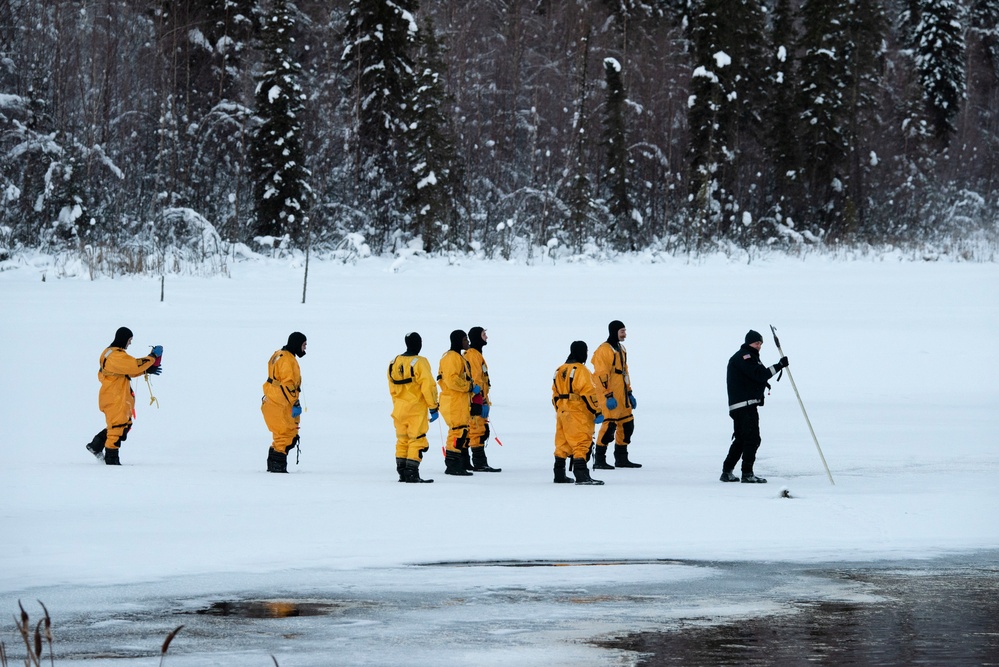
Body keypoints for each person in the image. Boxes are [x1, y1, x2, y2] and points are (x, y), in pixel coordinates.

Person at [85, 327, 162, 466]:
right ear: (124, 339)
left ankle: (96, 445)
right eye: (129, 340)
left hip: (113, 395)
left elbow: (126, 370)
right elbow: (133, 366)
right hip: (115, 398)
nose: (130, 343)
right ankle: (112, 460)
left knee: (124, 425)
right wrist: (153, 357)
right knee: (117, 427)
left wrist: (147, 369)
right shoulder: (116, 356)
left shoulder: (110, 353)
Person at [721, 330, 789, 483]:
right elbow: (759, 374)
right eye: (756, 343)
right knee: (752, 439)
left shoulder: (749, 357)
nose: (759, 346)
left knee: (741, 439)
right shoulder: (745, 357)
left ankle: (727, 471)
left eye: (760, 344)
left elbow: (757, 377)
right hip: (744, 406)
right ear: (749, 343)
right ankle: (747, 473)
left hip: (741, 405)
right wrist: (779, 366)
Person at [388, 332, 440, 483]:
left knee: (402, 440)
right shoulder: (420, 362)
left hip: (399, 409)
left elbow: (391, 388)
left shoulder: (393, 362)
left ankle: (402, 473)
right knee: (417, 439)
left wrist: (398, 403)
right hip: (415, 409)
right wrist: (433, 407)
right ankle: (412, 473)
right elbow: (428, 386)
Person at [552, 340, 605, 485]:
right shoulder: (581, 370)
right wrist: (597, 411)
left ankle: (559, 474)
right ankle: (581, 475)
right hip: (578, 412)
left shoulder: (559, 370)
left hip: (562, 411)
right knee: (581, 442)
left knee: (562, 443)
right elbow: (589, 393)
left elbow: (554, 395)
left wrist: (560, 409)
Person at [591, 319, 641, 469]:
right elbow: (601, 375)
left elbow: (625, 372)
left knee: (627, 425)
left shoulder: (621, 349)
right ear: (614, 332)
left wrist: (629, 392)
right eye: (622, 331)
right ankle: (600, 459)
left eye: (625, 331)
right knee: (609, 426)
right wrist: (608, 395)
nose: (625, 334)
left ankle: (621, 458)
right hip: (609, 394)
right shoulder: (604, 350)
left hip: (622, 394)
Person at [261, 332, 307, 473]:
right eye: (304, 345)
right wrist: (295, 402)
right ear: (297, 344)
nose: (305, 349)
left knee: (280, 435)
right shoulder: (287, 360)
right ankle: (277, 468)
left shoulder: (278, 354)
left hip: (271, 399)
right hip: (281, 403)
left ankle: (273, 465)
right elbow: (288, 384)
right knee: (286, 436)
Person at [438, 329, 476, 476]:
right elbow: (452, 380)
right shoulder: (451, 358)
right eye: (465, 339)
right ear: (458, 340)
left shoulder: (458, 357)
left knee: (463, 430)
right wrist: (470, 387)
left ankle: (461, 462)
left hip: (460, 401)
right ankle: (452, 464)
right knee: (457, 430)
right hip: (453, 401)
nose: (468, 342)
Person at [464, 326, 500, 472]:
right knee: (477, 431)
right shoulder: (472, 355)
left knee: (479, 430)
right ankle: (479, 463)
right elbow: (476, 379)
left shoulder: (477, 354)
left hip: (479, 398)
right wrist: (481, 400)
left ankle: (476, 462)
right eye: (484, 334)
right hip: (476, 399)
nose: (486, 337)